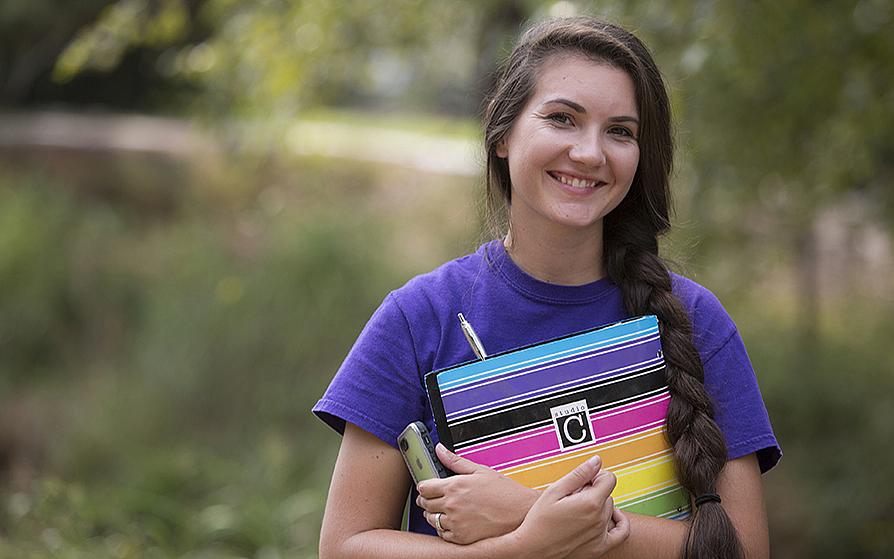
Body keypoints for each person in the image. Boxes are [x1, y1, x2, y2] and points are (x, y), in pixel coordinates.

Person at [313, 15, 780, 559]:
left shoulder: (696, 320)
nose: (589, 153)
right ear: (503, 133)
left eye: (620, 132)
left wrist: (528, 510)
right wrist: (522, 546)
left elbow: (744, 550)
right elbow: (345, 546)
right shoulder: (418, 318)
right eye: (562, 119)